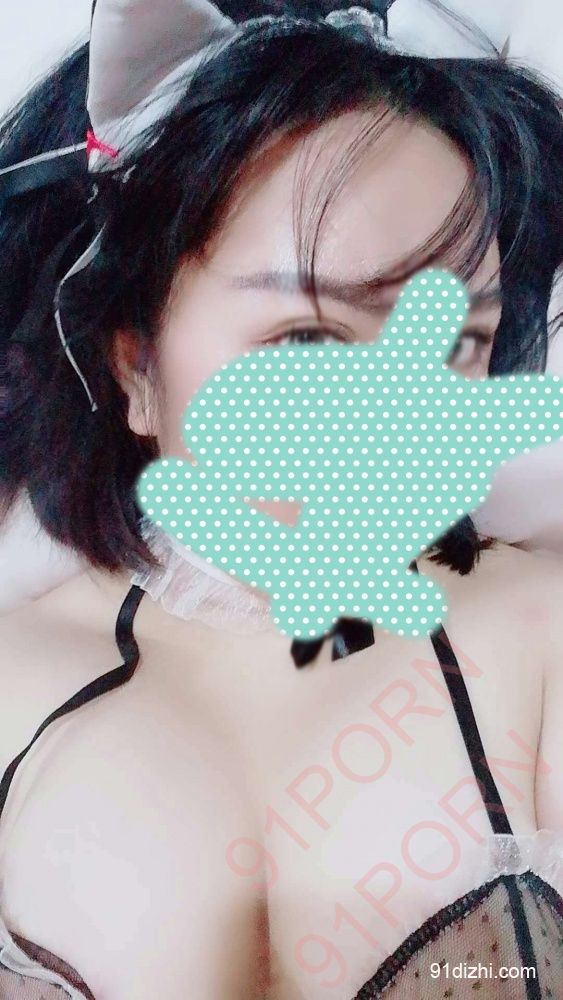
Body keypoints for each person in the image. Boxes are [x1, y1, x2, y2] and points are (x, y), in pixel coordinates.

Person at [0, 1, 563, 997]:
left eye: (453, 344)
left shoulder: (538, 640)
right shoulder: (14, 685)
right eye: (307, 341)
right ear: (134, 367)